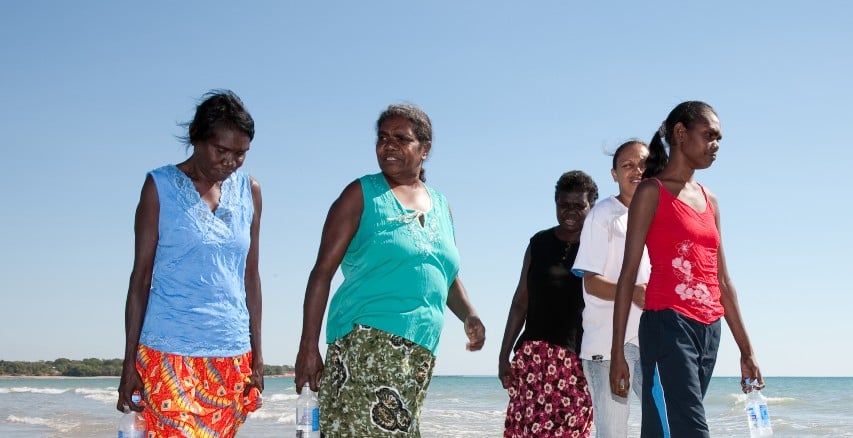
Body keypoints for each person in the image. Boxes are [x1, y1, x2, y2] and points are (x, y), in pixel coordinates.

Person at [294, 103, 486, 437]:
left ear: (424, 149)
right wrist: (308, 348)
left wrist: (469, 315)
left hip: (420, 351)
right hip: (367, 343)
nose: (389, 145)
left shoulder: (441, 204)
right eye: (383, 137)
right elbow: (322, 272)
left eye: (401, 138)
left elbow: (444, 272)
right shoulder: (361, 195)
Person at [610, 101, 763, 437]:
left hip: (709, 330)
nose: (716, 145)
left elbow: (722, 279)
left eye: (719, 138)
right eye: (709, 135)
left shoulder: (711, 200)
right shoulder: (652, 192)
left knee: (666, 429)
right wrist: (617, 352)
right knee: (688, 429)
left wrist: (747, 351)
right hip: (668, 323)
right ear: (680, 133)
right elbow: (627, 274)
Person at [116, 90, 264, 437]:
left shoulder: (250, 191)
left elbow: (251, 277)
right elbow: (140, 278)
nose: (230, 162)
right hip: (168, 350)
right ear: (196, 138)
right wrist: (128, 362)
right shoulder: (159, 187)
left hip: (231, 353)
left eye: (240, 154)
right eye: (221, 150)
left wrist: (258, 356)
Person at [499, 170, 598, 438]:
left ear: (591, 206)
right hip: (532, 359)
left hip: (576, 362)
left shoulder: (599, 248)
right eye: (564, 204)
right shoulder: (538, 243)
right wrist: (503, 354)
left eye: (579, 205)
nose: (570, 211)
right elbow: (521, 301)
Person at [572, 140, 658, 437]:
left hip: (649, 341)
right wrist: (633, 292)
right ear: (614, 174)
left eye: (643, 164)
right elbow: (591, 282)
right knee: (612, 434)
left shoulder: (658, 215)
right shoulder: (602, 215)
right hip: (606, 345)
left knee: (664, 425)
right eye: (627, 165)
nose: (637, 171)